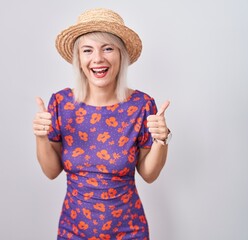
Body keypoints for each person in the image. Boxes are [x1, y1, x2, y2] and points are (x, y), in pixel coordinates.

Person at [33, 8, 172, 240]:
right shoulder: (61, 103)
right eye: (88, 50)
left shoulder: (142, 105)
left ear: (121, 55)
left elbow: (148, 174)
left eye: (108, 48)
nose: (98, 58)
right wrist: (40, 137)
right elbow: (51, 171)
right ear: (79, 59)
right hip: (73, 232)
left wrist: (161, 140)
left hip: (129, 232)